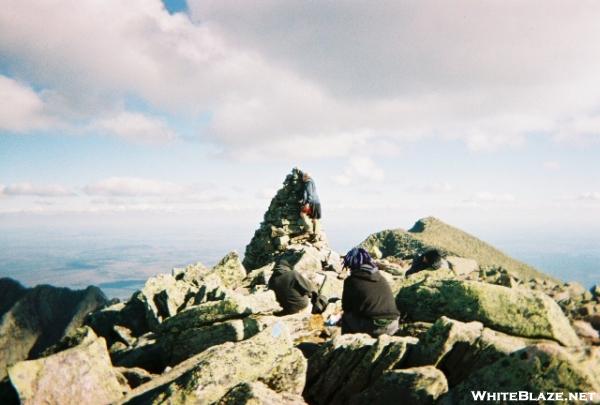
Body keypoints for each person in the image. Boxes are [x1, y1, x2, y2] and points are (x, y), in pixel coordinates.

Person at [341, 247, 400, 337]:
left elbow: (346, 308)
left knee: (346, 317)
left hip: (373, 326)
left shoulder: (351, 281)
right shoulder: (381, 278)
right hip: (393, 324)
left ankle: (346, 348)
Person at [300, 172, 321, 240]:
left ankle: (311, 232)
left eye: (303, 177)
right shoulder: (311, 182)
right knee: (314, 218)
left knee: (303, 214)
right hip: (315, 202)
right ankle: (315, 235)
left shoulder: (308, 183)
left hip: (312, 203)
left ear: (306, 177)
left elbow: (310, 194)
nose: (302, 178)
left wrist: (307, 203)